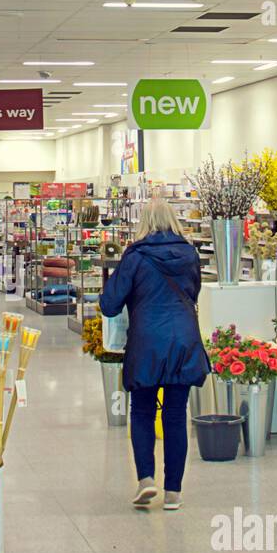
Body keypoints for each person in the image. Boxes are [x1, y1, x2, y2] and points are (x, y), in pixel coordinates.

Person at [98, 199, 210, 511]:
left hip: (146, 342)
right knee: (175, 415)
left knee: (143, 412)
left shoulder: (135, 256)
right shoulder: (190, 254)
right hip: (183, 340)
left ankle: (146, 480)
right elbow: (193, 293)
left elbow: (109, 305)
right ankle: (173, 491)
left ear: (143, 223)